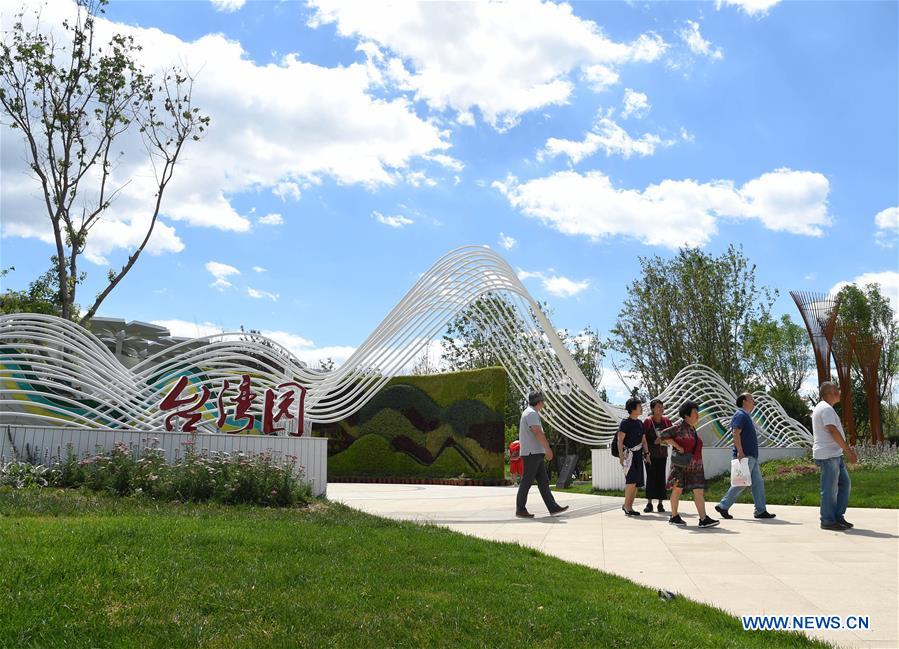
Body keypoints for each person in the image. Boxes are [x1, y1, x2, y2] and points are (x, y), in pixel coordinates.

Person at [714, 393, 776, 520]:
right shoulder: (740, 415)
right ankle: (723, 505)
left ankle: (760, 511)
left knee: (758, 484)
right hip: (745, 456)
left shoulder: (746, 416)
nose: (754, 401)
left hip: (751, 456)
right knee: (741, 483)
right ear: (744, 401)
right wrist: (740, 452)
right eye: (751, 399)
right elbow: (735, 433)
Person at [661, 401, 719, 528]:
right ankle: (674, 516)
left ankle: (703, 519)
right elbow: (663, 434)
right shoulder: (680, 427)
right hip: (681, 466)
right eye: (694, 412)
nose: (697, 415)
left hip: (696, 466)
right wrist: (677, 446)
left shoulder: (693, 429)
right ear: (686, 415)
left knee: (698, 491)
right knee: (677, 490)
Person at [515, 391, 569, 518]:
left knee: (543, 482)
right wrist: (548, 449)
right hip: (532, 453)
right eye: (543, 401)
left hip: (535, 453)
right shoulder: (532, 413)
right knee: (527, 481)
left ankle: (553, 507)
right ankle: (520, 509)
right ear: (539, 402)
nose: (544, 403)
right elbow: (538, 432)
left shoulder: (530, 412)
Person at [812, 382, 857, 530]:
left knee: (844, 484)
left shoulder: (824, 408)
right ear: (830, 393)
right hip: (829, 456)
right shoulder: (826, 408)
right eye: (837, 390)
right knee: (829, 489)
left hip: (833, 455)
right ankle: (828, 520)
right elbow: (832, 430)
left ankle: (838, 517)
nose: (839, 393)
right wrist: (848, 451)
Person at [617, 396, 649, 516]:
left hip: (638, 455)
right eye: (639, 406)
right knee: (631, 481)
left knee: (636, 483)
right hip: (628, 456)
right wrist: (621, 457)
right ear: (632, 408)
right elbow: (620, 441)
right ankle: (627, 506)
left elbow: (644, 440)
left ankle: (629, 506)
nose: (641, 408)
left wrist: (647, 454)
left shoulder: (640, 423)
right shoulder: (625, 423)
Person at [642, 399, 671, 513]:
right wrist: (653, 443)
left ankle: (660, 504)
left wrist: (666, 440)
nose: (661, 409)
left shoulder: (666, 421)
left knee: (661, 478)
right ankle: (649, 504)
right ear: (653, 409)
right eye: (658, 407)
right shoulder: (648, 422)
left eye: (662, 406)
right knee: (651, 478)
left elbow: (672, 433)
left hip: (662, 454)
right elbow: (643, 438)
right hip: (650, 455)